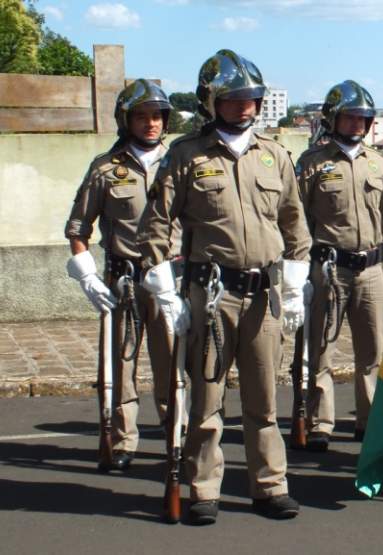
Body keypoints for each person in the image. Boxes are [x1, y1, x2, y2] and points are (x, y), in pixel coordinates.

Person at [137, 49, 312, 524]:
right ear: (210, 102)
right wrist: (166, 291)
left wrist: (296, 281)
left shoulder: (275, 155)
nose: (244, 107)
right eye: (233, 100)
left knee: (263, 399)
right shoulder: (186, 155)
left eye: (251, 99)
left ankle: (269, 485)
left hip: (264, 296)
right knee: (208, 401)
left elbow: (294, 221)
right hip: (211, 295)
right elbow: (157, 226)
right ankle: (203, 489)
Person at [64, 79, 177, 472]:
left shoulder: (181, 163)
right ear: (126, 120)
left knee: (172, 365)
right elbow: (79, 229)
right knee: (119, 366)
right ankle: (122, 440)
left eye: (157, 116)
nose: (151, 123)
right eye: (142, 116)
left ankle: (175, 435)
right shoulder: (105, 169)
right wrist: (88, 277)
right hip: (122, 281)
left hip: (168, 282)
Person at [296, 80, 383, 452]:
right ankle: (321, 421)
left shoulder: (377, 162)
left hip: (371, 268)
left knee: (372, 350)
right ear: (333, 119)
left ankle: (367, 418)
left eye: (364, 118)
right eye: (351, 117)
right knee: (321, 347)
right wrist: (299, 271)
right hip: (329, 268)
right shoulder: (312, 164)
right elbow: (296, 218)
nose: (358, 124)